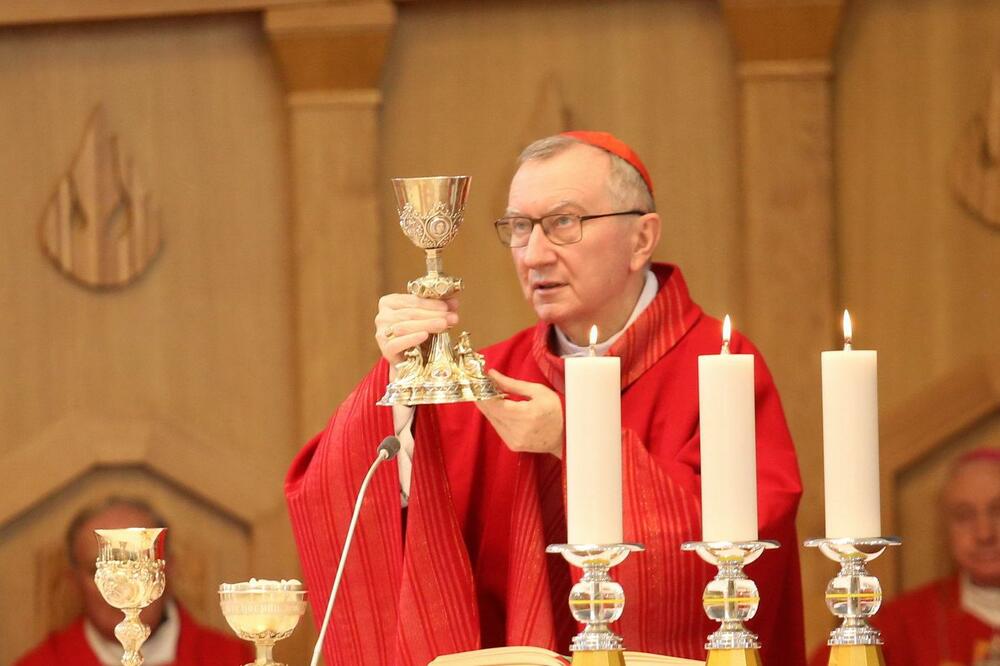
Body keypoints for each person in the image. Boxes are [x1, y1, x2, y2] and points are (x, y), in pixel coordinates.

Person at [286, 131, 806, 666]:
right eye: (518, 227)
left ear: (641, 239)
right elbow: (343, 505)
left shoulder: (717, 368)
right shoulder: (490, 376)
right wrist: (401, 383)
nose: (533, 254)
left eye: (564, 222)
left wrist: (575, 442)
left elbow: (742, 561)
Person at [810, 448, 1000, 666]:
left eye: (998, 509)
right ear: (945, 528)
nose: (985, 533)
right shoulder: (902, 622)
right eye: (964, 515)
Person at [14, 497, 251, 666]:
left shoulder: (233, 658)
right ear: (73, 581)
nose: (125, 585)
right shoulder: (41, 663)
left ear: (168, 569)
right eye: (103, 568)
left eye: (138, 565)